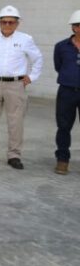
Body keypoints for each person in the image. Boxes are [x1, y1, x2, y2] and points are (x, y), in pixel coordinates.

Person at [0, 5, 43, 170]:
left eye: (11, 22)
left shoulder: (26, 39)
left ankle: (14, 155)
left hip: (15, 85)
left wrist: (31, 77)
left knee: (16, 121)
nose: (7, 25)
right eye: (4, 22)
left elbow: (38, 58)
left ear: (17, 23)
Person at [52, 10, 80, 175]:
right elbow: (58, 66)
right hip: (66, 91)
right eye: (78, 25)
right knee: (63, 127)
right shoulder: (61, 46)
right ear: (73, 27)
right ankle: (62, 160)